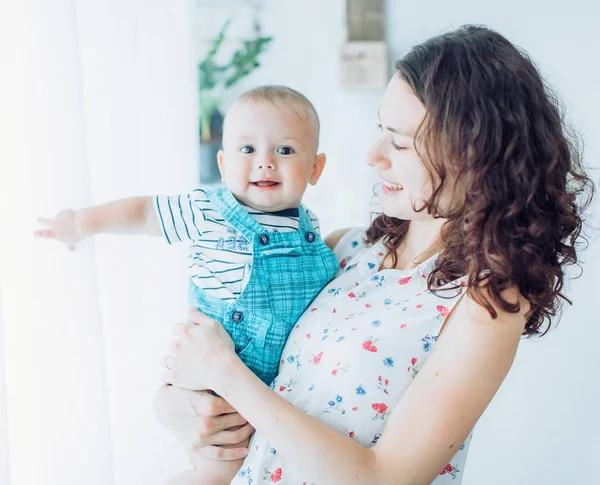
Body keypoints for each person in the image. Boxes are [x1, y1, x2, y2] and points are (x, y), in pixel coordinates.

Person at [155, 25, 594, 484]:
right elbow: (209, 363)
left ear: (476, 156)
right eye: (380, 131)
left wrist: (229, 377)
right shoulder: (345, 251)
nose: (373, 155)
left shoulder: (485, 303)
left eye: (400, 143)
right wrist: (176, 406)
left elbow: (386, 479)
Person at [34, 86, 340, 482]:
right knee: (220, 471)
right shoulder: (209, 211)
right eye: (247, 150)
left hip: (269, 390)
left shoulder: (310, 229)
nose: (264, 163)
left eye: (284, 151)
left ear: (315, 169)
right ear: (223, 162)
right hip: (216, 379)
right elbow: (145, 213)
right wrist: (78, 223)